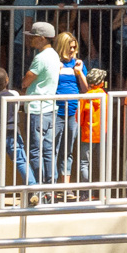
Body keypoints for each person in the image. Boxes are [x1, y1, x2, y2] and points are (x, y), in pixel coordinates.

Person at [19, 20, 61, 202]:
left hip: (37, 108)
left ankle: (38, 188)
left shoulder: (41, 57)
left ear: (42, 38)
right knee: (48, 150)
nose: (31, 40)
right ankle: (49, 188)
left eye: (33, 37)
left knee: (36, 150)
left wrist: (24, 83)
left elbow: (26, 81)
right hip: (50, 107)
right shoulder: (54, 56)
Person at [0, 67, 34, 204]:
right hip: (12, 133)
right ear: (7, 80)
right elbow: (16, 108)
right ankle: (33, 189)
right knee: (21, 161)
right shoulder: (14, 95)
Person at [54, 31, 84, 189]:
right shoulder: (55, 63)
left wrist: (80, 73)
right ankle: (51, 186)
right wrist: (56, 71)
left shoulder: (78, 63)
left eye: (74, 47)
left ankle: (65, 187)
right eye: (69, 47)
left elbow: (85, 89)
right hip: (57, 111)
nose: (72, 50)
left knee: (68, 150)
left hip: (74, 111)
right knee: (53, 148)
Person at [78, 67, 108, 193]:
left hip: (87, 134)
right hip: (102, 134)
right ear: (101, 82)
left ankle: (86, 192)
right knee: (103, 163)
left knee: (85, 163)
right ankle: (103, 192)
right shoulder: (105, 96)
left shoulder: (85, 97)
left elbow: (78, 117)